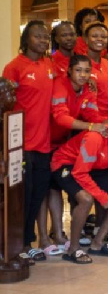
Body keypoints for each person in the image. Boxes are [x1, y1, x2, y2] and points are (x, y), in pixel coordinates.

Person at [51, 104, 108, 264]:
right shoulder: (95, 138)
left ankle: (98, 242)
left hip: (94, 167)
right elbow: (79, 172)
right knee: (86, 199)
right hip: (65, 164)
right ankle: (73, 248)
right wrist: (103, 197)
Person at [38, 55, 106, 254]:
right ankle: (44, 237)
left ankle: (58, 234)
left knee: (56, 188)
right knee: (43, 191)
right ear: (69, 70)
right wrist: (91, 126)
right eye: (79, 70)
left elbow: (94, 114)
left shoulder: (87, 89)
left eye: (87, 71)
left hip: (63, 145)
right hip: (43, 142)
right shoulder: (60, 85)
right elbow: (60, 117)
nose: (83, 75)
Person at [3, 20, 54, 262]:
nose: (43, 40)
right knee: (22, 197)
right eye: (38, 36)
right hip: (22, 145)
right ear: (26, 40)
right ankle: (18, 244)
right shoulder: (14, 67)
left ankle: (27, 240)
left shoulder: (49, 66)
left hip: (45, 144)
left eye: (46, 37)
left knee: (37, 195)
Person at [85, 22, 108, 120]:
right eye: (94, 36)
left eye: (104, 36)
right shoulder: (79, 65)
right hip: (87, 121)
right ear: (86, 39)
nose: (100, 39)